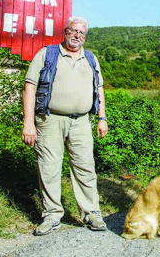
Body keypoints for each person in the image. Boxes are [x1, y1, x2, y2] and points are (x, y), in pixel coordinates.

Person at [22, 16, 108, 236]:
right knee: (49, 167)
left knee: (85, 167)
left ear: (85, 37)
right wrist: (28, 122)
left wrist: (102, 118)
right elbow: (29, 87)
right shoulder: (47, 54)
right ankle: (52, 215)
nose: (77, 36)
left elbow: (99, 88)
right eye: (73, 31)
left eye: (82, 33)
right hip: (50, 119)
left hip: (81, 121)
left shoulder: (91, 58)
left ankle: (91, 213)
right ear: (65, 31)